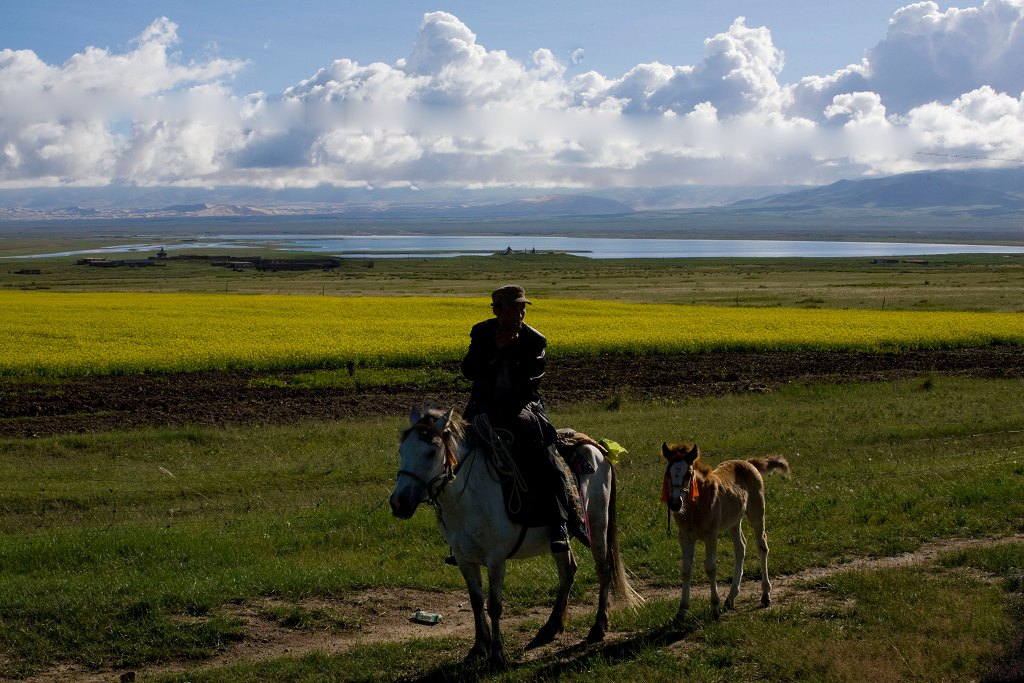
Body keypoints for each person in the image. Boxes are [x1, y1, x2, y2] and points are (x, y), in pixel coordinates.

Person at [460, 284, 582, 555]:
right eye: (513, 307)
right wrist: (495, 349)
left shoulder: (535, 340)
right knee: (452, 457)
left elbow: (530, 381)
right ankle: (459, 531)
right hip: (481, 411)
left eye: (522, 307)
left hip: (522, 410)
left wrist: (508, 351)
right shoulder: (481, 333)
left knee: (545, 459)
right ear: (497, 310)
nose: (519, 313)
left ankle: (560, 524)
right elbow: (469, 370)